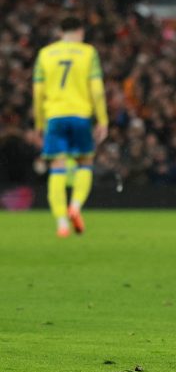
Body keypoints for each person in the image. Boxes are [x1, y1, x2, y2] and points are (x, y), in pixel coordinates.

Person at [33, 16, 108, 237]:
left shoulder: (45, 54)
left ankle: (61, 223)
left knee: (57, 167)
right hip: (80, 115)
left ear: (59, 31)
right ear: (80, 31)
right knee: (85, 162)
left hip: (55, 116)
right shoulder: (88, 53)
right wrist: (102, 119)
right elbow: (97, 89)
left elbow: (38, 93)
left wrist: (39, 122)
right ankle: (75, 206)